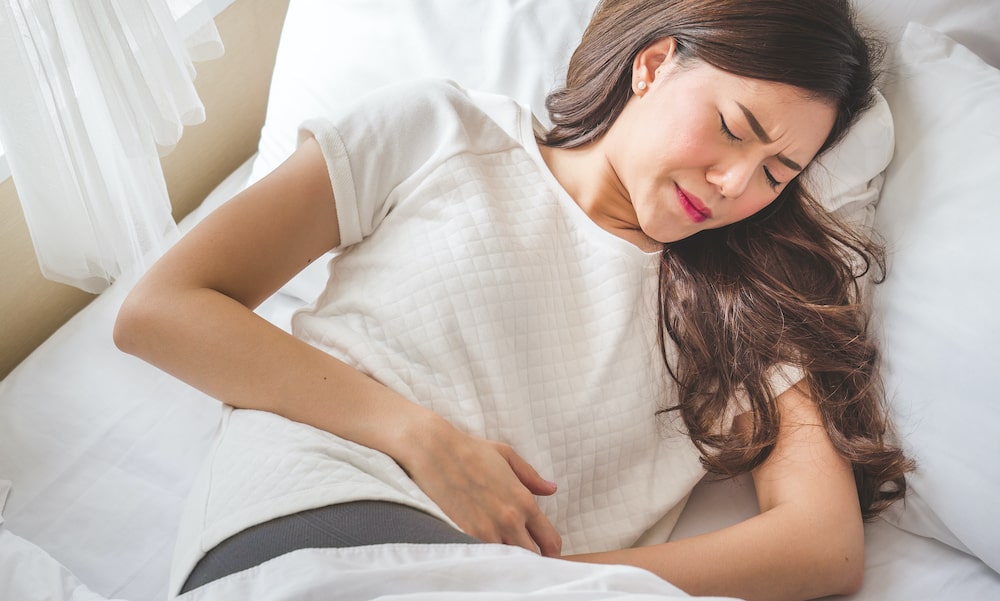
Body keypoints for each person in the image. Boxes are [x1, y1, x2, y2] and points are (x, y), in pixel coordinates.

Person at [114, 0, 912, 599]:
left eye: (778, 173)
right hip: (321, 511)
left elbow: (824, 542)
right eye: (736, 129)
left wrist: (560, 578)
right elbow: (161, 309)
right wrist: (422, 438)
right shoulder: (443, 132)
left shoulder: (747, 310)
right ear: (655, 63)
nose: (738, 184)